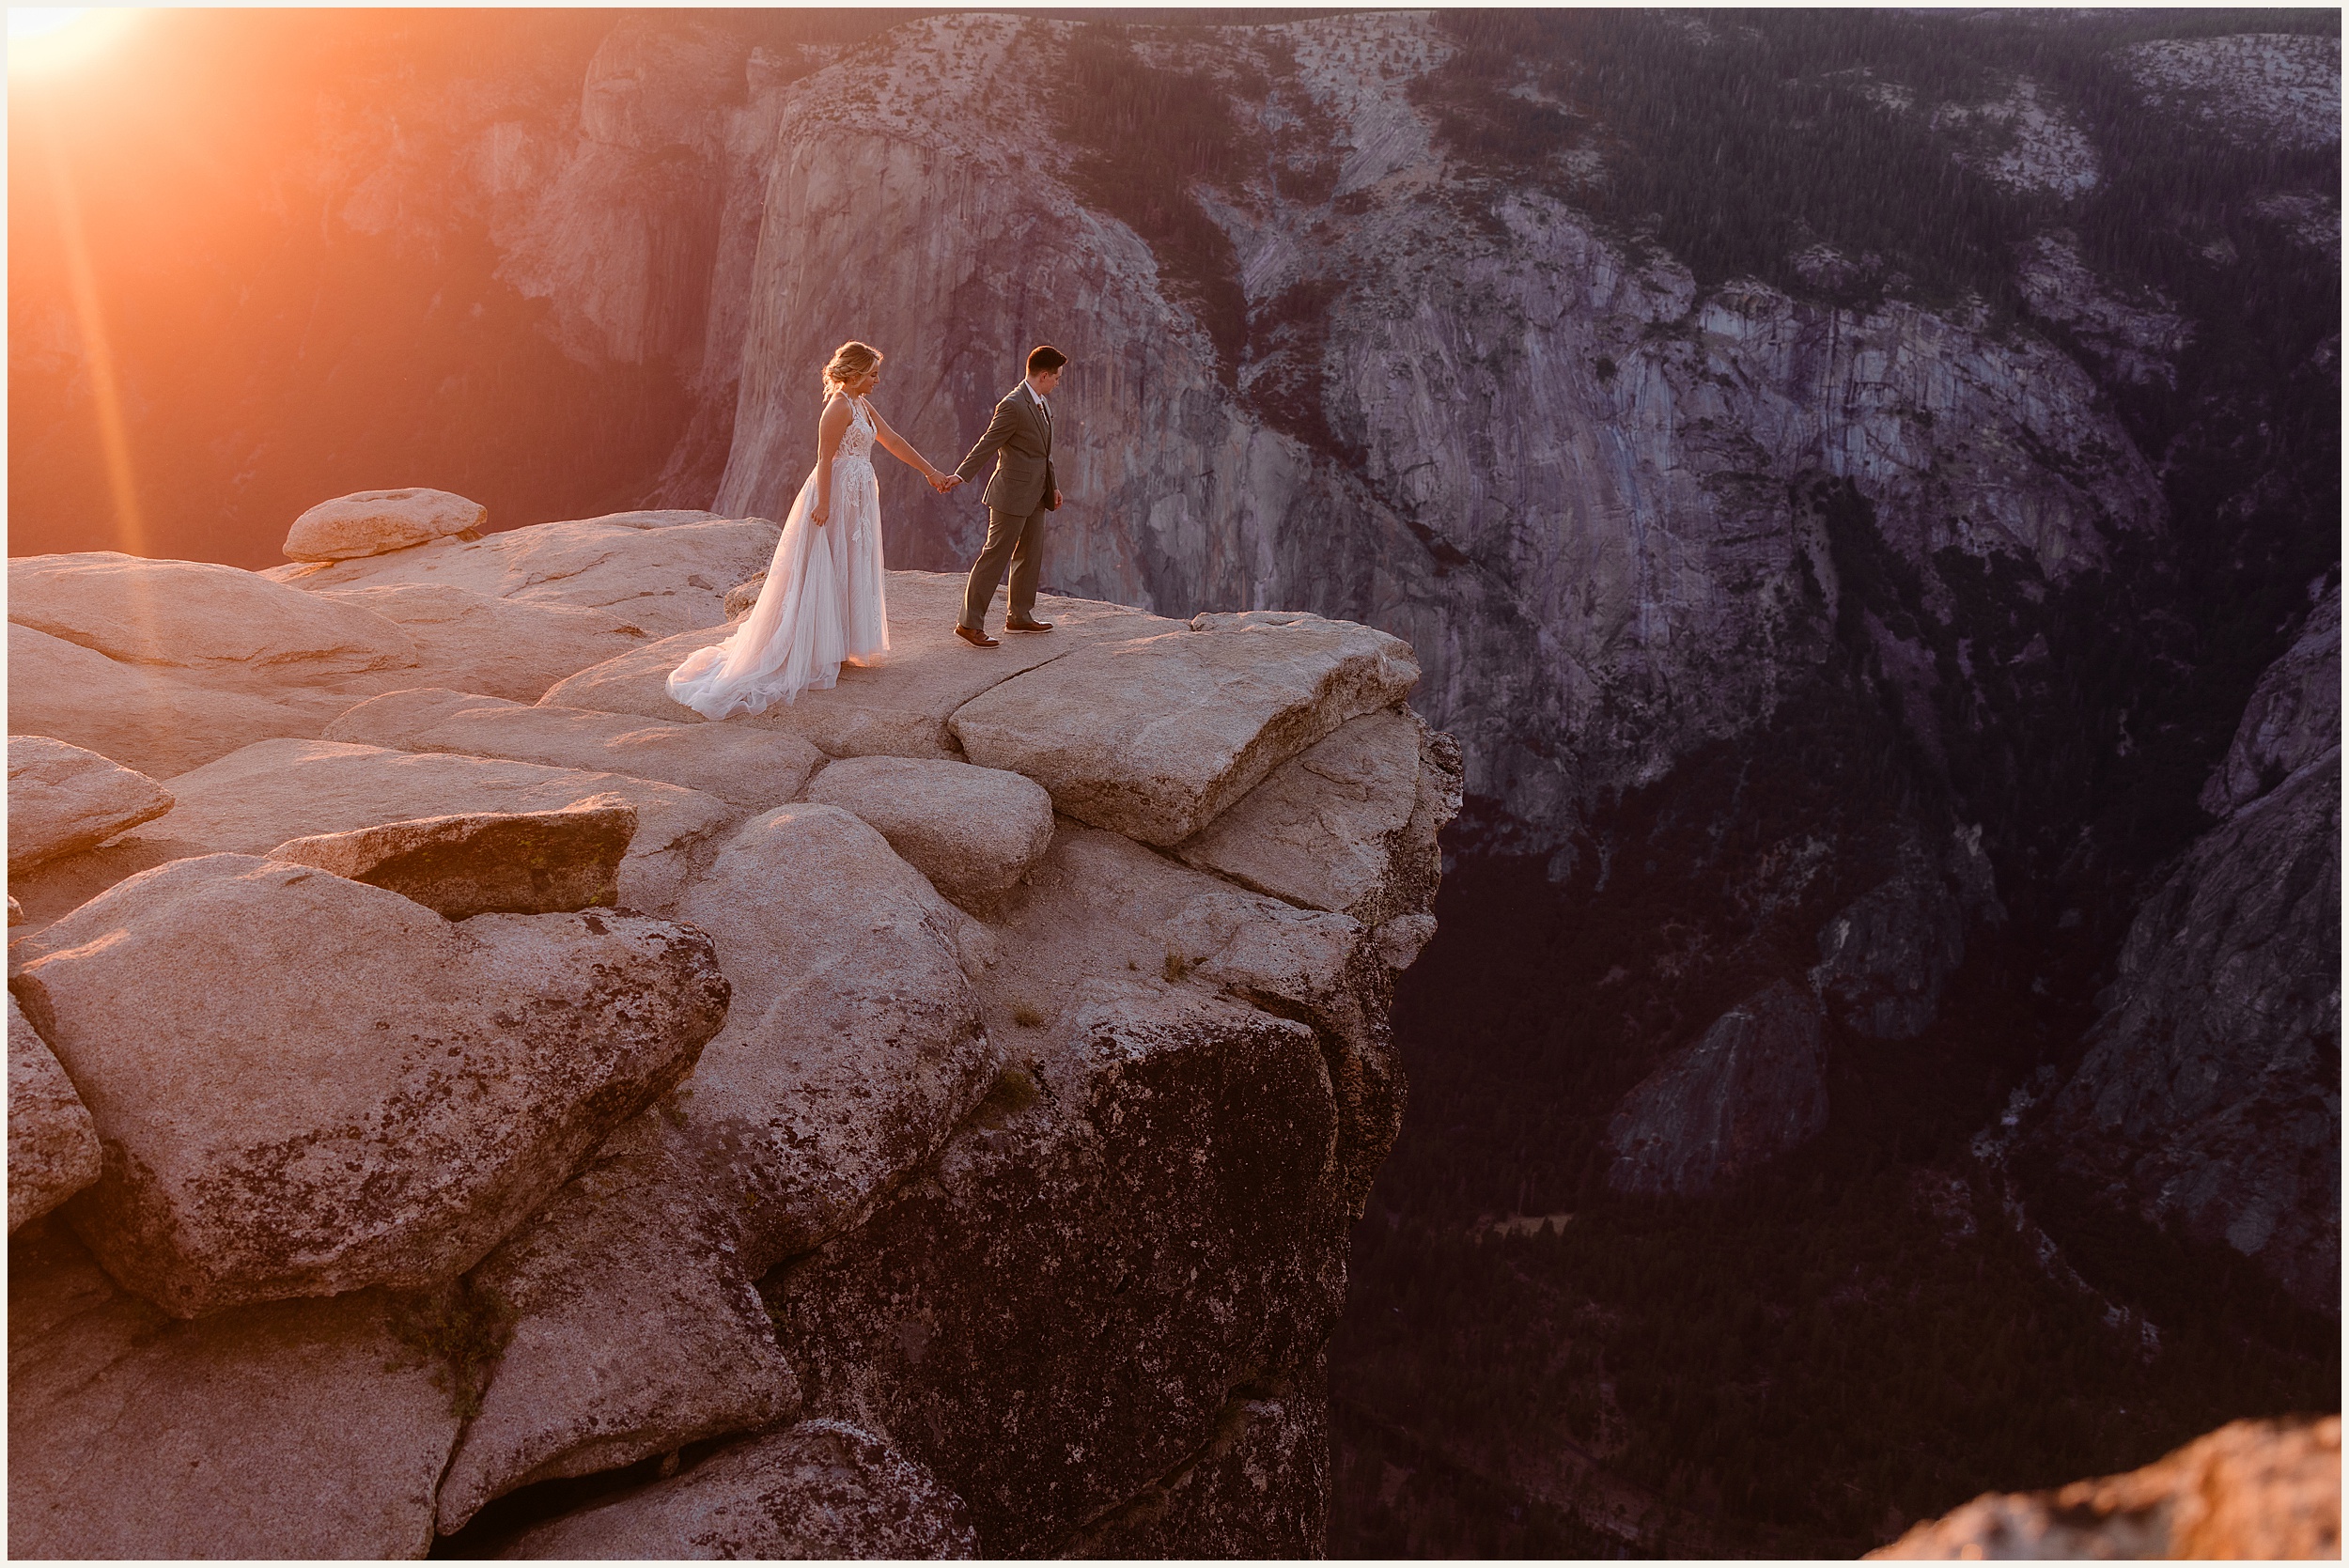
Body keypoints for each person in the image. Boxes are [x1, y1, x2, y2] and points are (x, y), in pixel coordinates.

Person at [668, 341, 961, 717]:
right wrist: (823, 503)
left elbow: (892, 441)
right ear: (854, 374)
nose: (877, 380)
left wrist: (931, 473)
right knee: (828, 561)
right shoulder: (837, 407)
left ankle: (841, 643)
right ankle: (819, 646)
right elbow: (824, 457)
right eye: (872, 374)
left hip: (858, 495)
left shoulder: (861, 404)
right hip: (836, 493)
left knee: (852, 559)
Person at [951, 344, 1067, 648]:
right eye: (1056, 377)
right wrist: (961, 475)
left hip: (1036, 494)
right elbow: (987, 443)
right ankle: (969, 623)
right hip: (1010, 495)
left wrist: (1052, 487)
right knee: (995, 556)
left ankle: (1019, 616)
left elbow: (1045, 454)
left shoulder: (1041, 402)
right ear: (1043, 375)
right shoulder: (1013, 405)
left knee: (1030, 554)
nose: (1058, 382)